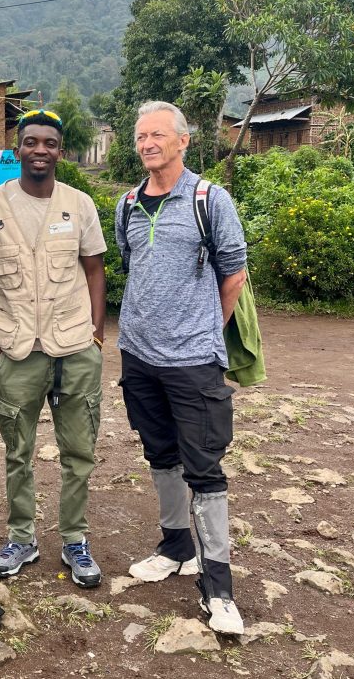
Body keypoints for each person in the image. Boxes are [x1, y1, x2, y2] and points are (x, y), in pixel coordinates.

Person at [115, 101, 247, 636]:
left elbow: (233, 273)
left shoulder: (208, 199)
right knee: (159, 453)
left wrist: (204, 330)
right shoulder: (126, 204)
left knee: (205, 469)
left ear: (183, 141)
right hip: (138, 354)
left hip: (194, 361)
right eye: (141, 135)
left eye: (158, 135)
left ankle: (218, 585)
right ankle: (175, 546)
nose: (147, 143)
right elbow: (132, 265)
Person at [0, 109, 107, 588]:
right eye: (31, 142)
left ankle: (75, 539)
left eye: (50, 143)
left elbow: (94, 269)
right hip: (15, 346)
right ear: (17, 149)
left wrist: (95, 332)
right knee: (18, 452)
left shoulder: (80, 204)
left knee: (78, 452)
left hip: (74, 346)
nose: (40, 150)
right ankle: (21, 538)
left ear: (60, 151)